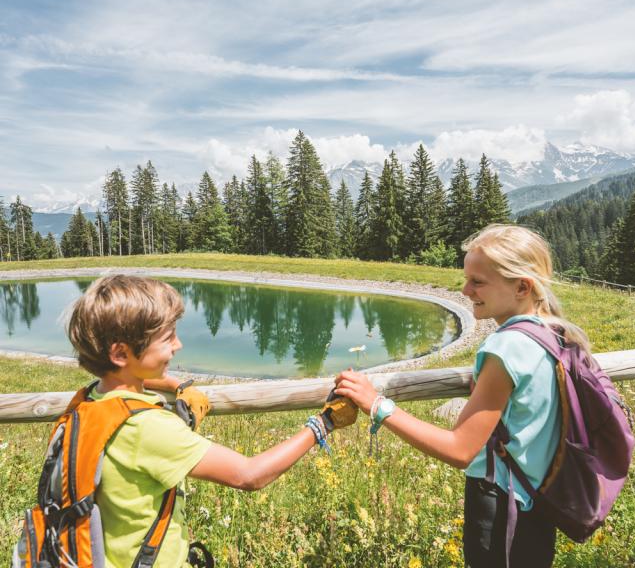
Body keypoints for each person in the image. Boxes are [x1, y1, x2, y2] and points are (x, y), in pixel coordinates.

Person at [335, 224, 590, 568]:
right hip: (538, 502)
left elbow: (460, 449)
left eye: (478, 281)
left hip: (502, 510)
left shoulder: (507, 348)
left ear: (522, 286)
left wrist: (376, 405)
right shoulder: (554, 333)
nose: (465, 290)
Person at [66, 274, 356, 567]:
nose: (177, 345)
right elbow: (249, 475)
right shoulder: (147, 427)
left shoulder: (88, 400)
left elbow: (132, 385)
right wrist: (324, 423)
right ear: (120, 353)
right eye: (167, 338)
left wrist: (178, 387)